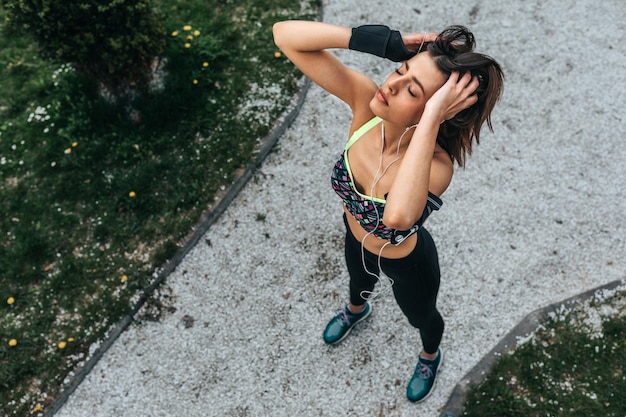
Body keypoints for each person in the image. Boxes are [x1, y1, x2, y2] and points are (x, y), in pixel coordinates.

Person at [273, 20, 504, 403]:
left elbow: (395, 218)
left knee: (422, 316)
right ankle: (355, 309)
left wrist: (431, 119)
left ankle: (430, 355)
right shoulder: (365, 105)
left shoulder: (437, 166)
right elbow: (285, 36)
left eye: (412, 89)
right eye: (399, 70)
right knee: (356, 283)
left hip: (406, 262)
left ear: (438, 111)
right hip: (354, 237)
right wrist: (384, 42)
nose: (391, 84)